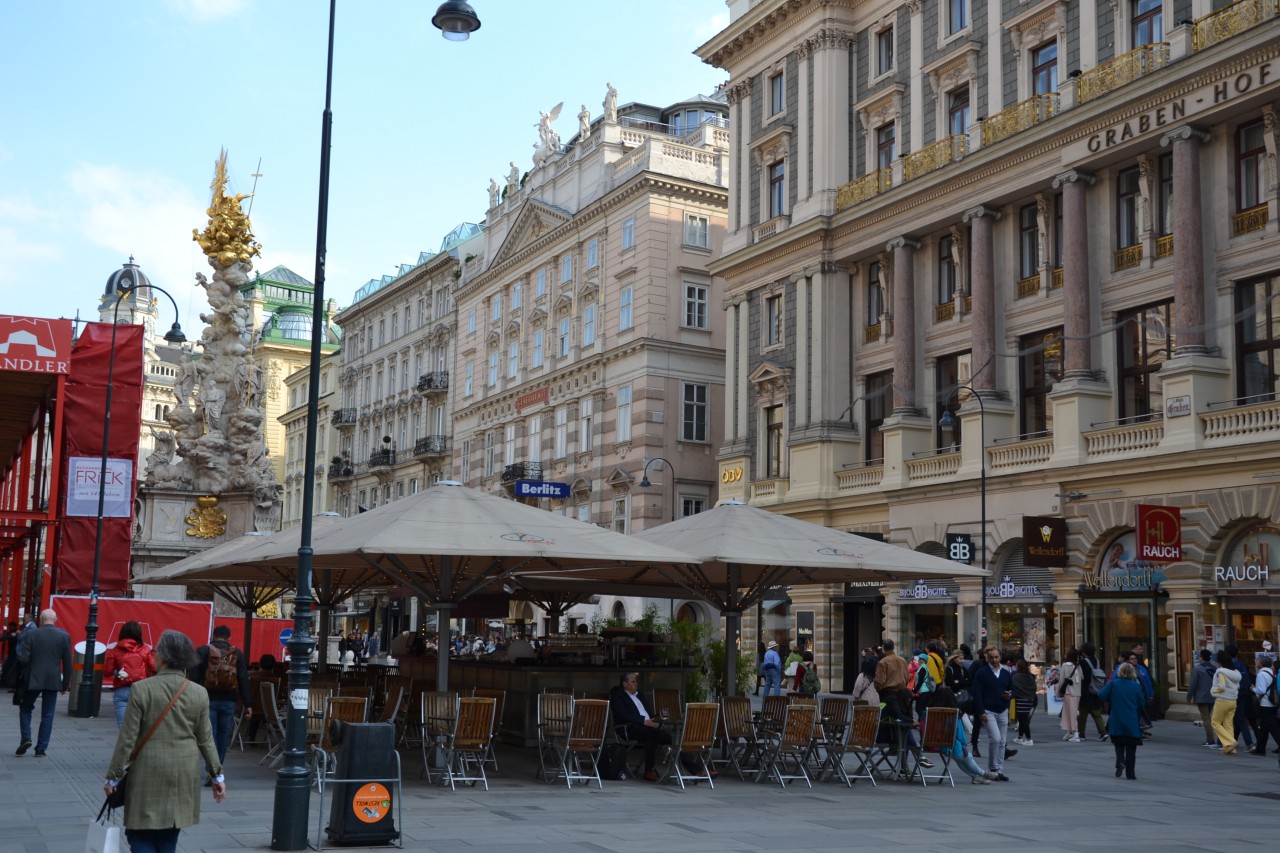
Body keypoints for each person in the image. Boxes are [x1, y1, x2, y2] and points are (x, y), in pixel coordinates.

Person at [105, 630, 225, 853]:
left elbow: (127, 738)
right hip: (183, 771)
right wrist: (217, 774)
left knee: (139, 831)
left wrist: (113, 777)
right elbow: (206, 739)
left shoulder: (142, 689)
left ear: (164, 657)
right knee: (169, 834)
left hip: (147, 770)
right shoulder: (199, 693)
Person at [190, 625, 250, 772]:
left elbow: (194, 677)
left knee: (210, 735)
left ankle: (212, 767)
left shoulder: (203, 651)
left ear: (213, 635)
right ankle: (217, 768)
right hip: (229, 700)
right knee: (223, 736)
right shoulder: (237, 654)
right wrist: (248, 703)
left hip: (208, 699)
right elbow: (243, 679)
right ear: (229, 638)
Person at [15, 608, 72, 757]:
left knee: (26, 708)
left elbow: (24, 659)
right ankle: (41, 748)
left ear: (40, 619)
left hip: (33, 678)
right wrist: (66, 683)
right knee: (48, 714)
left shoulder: (32, 634)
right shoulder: (64, 637)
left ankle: (26, 737)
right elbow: (67, 662)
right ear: (55, 619)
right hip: (52, 679)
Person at [608, 672, 672, 781]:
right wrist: (644, 721)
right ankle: (648, 770)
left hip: (647, 727)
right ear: (624, 684)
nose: (636, 684)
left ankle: (695, 770)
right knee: (653, 734)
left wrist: (656, 720)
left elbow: (649, 713)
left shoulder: (639, 695)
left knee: (672, 738)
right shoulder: (618, 695)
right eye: (633, 682)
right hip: (630, 727)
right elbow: (624, 714)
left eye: (636, 681)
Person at [969, 646, 1013, 781]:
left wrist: (1010, 695)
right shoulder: (981, 673)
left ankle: (999, 769)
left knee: (1003, 740)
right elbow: (976, 693)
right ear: (987, 658)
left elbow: (1012, 689)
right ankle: (993, 768)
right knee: (996, 738)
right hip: (988, 710)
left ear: (1000, 657)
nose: (994, 660)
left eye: (996, 657)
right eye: (991, 657)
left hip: (1003, 709)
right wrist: (981, 711)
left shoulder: (1006, 673)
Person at [1098, 662, 1145, 779]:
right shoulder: (1136, 686)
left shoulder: (1114, 684)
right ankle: (1131, 773)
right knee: (1131, 748)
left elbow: (1101, 695)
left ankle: (1120, 761)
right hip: (1132, 721)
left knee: (1118, 744)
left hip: (1117, 719)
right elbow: (1142, 703)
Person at [932, 687, 989, 784]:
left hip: (932, 743)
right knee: (965, 756)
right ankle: (983, 773)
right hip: (950, 745)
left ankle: (975, 776)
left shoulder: (931, 712)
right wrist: (963, 745)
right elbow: (960, 735)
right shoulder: (953, 714)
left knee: (959, 758)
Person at [105, 621, 156, 728]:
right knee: (141, 726)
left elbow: (107, 672)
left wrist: (118, 673)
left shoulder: (115, 650)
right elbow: (154, 668)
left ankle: (125, 744)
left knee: (122, 725)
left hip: (122, 689)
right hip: (141, 690)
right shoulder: (145, 649)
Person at [1210, 648, 1242, 755]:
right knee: (1228, 723)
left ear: (1220, 662)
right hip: (1233, 700)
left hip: (1222, 699)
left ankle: (1230, 742)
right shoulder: (1235, 673)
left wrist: (1213, 691)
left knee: (1215, 722)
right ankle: (1230, 748)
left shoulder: (1220, 673)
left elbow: (1221, 687)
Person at [1226, 644, 1256, 751]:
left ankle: (1249, 743)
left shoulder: (1230, 665)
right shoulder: (1241, 664)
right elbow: (1247, 679)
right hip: (1243, 694)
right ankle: (1231, 741)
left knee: (1237, 719)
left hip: (1234, 695)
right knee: (1238, 718)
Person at [1076, 642, 1108, 741]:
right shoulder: (1097, 661)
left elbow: (1080, 677)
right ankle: (1103, 732)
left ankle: (1081, 734)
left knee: (1082, 715)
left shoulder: (1083, 662)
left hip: (1085, 691)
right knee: (1097, 714)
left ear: (1084, 652)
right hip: (1097, 691)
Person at [1188, 648, 1218, 747]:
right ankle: (1216, 739)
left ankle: (1210, 740)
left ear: (1201, 657)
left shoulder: (1198, 669)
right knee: (1211, 718)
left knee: (1206, 719)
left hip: (1202, 697)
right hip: (1213, 696)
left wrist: (1189, 696)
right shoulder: (1215, 669)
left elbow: (1193, 684)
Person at [1249, 655, 1277, 756]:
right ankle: (1260, 749)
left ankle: (1260, 749)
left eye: (1257, 661)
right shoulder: (1272, 672)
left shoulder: (1261, 674)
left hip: (1265, 704)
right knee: (1264, 728)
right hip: (1273, 703)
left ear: (1261, 663)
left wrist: (1253, 689)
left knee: (1273, 728)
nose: (1256, 662)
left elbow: (1261, 690)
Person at [1057, 648, 1083, 742]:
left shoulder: (1065, 665)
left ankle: (1075, 733)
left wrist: (1059, 692)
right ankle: (1070, 731)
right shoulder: (1078, 666)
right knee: (1072, 712)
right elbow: (1081, 677)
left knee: (1070, 712)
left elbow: (1061, 680)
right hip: (1077, 692)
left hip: (1069, 692)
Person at [1012, 659, 1037, 746]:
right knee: (1023, 719)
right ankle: (1019, 737)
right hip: (1030, 700)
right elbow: (1034, 688)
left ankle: (1029, 739)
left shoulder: (1016, 677)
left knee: (1023, 720)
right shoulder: (1030, 677)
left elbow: (1013, 687)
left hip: (1021, 700)